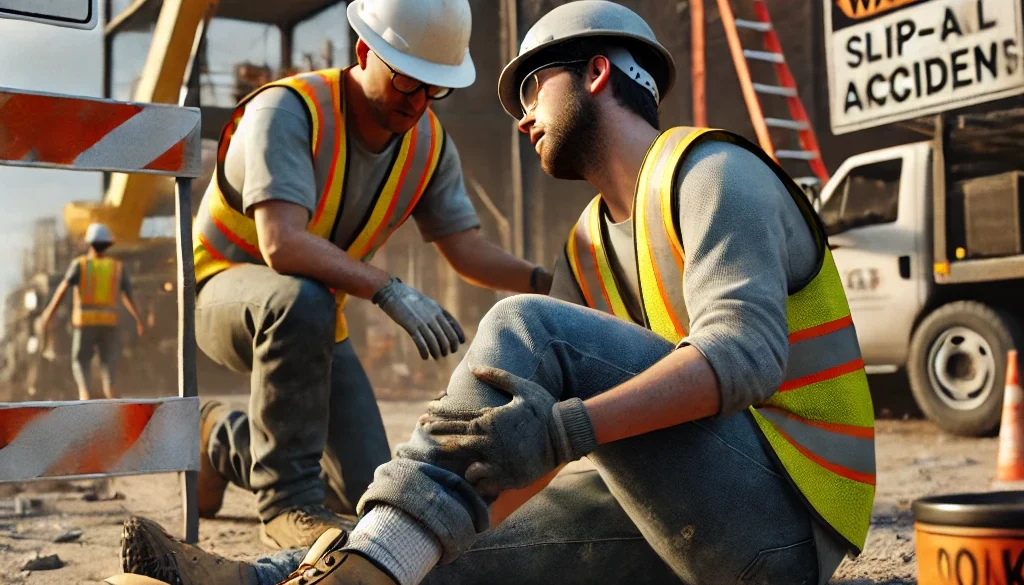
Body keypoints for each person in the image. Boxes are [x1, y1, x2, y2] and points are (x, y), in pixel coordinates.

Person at [113, 1, 875, 584]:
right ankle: (279, 574)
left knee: (525, 330)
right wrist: (465, 501)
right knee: (444, 556)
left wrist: (565, 429)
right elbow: (542, 432)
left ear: (597, 74)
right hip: (701, 516)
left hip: (784, 520)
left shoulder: (711, 175)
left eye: (531, 91)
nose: (519, 120)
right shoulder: (588, 245)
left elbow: (745, 356)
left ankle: (354, 559)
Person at [189, 0, 553, 551]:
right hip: (225, 295)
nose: (420, 102)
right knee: (301, 300)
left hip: (311, 314)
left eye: (436, 88)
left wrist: (546, 281)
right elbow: (281, 242)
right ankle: (286, 503)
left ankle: (219, 441)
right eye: (408, 82)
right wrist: (388, 288)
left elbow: (466, 250)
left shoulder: (428, 144)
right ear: (365, 51)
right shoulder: (290, 110)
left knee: (360, 489)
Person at [38, 222, 145, 400]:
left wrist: (48, 314)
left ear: (89, 243)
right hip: (108, 324)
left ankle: (85, 395)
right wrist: (138, 319)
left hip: (85, 323)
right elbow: (128, 296)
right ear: (108, 244)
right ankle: (112, 397)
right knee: (108, 365)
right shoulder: (116, 267)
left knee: (81, 361)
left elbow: (62, 290)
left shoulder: (80, 265)